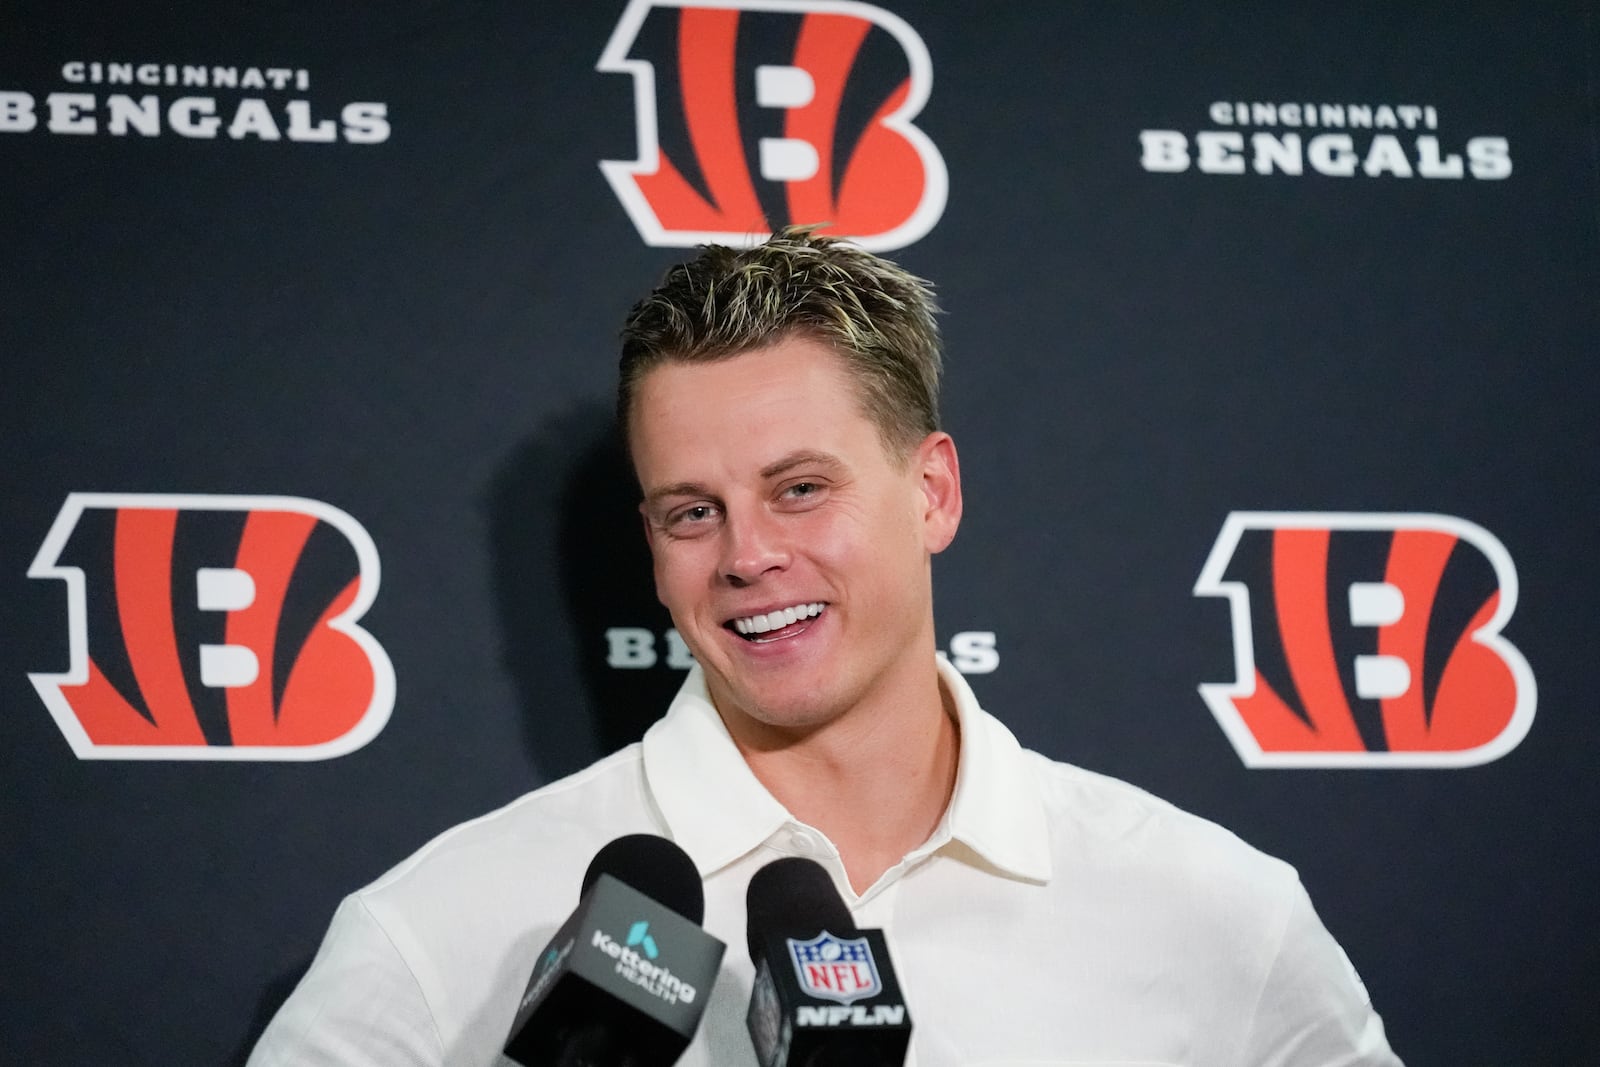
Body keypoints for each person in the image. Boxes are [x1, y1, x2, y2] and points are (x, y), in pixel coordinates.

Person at [249, 227, 1402, 1065]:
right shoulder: (443, 926)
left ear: (933, 491)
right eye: (690, 510)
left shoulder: (1209, 910)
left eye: (800, 489)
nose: (746, 555)